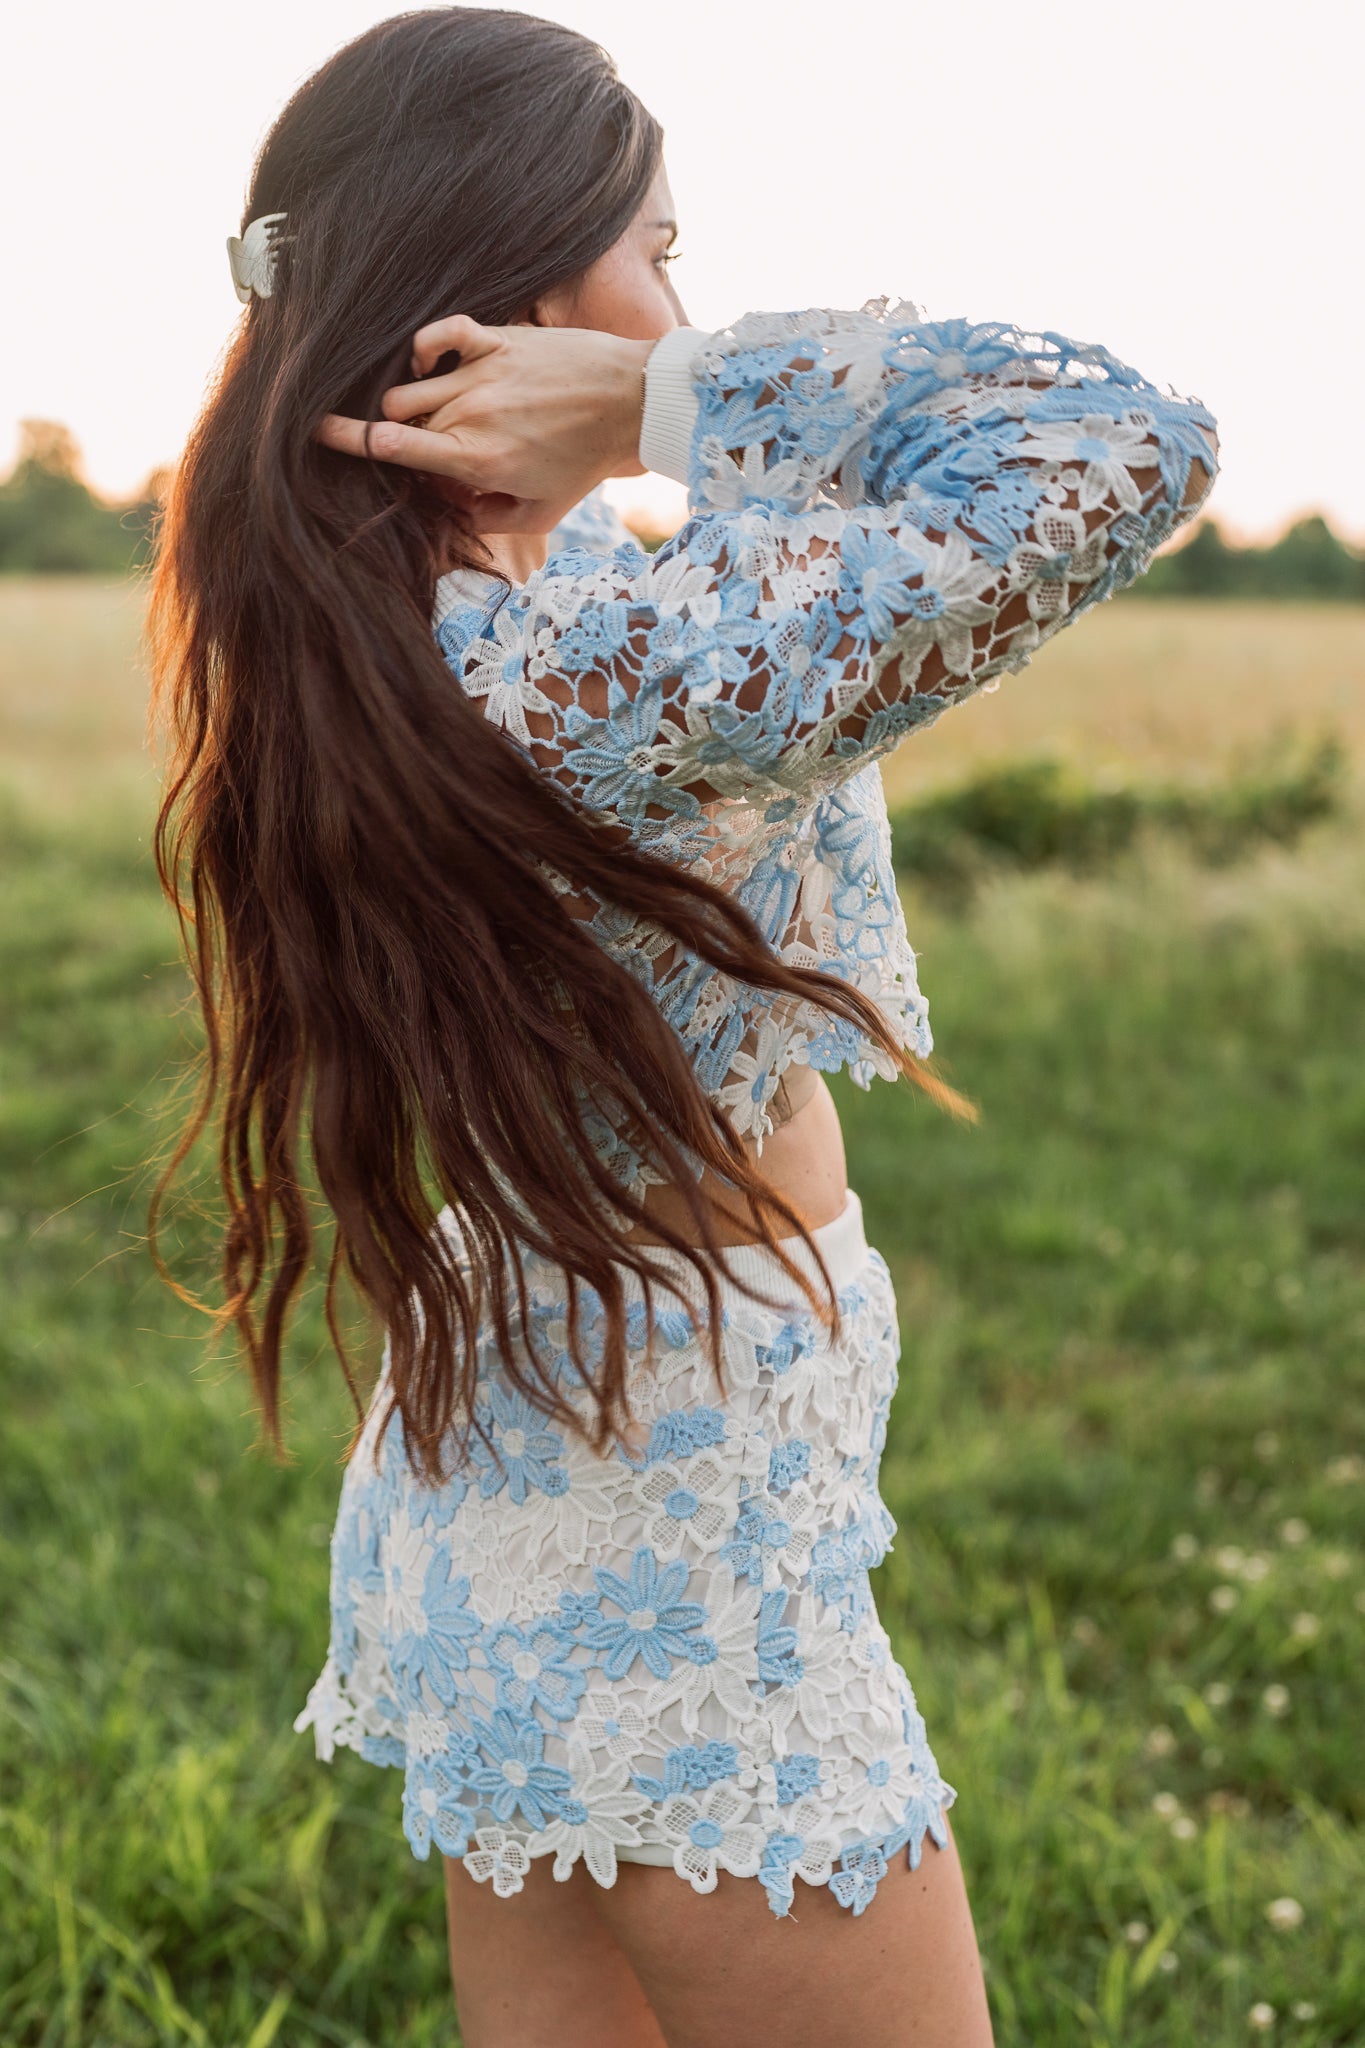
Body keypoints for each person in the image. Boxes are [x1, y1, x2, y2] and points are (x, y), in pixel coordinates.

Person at [150, 10, 1218, 2045]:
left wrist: (634, 400)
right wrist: (664, 399)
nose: (680, 298)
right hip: (676, 1537)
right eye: (658, 250)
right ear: (521, 295)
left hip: (521, 1472)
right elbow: (1121, 441)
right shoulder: (614, 656)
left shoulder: (395, 636)